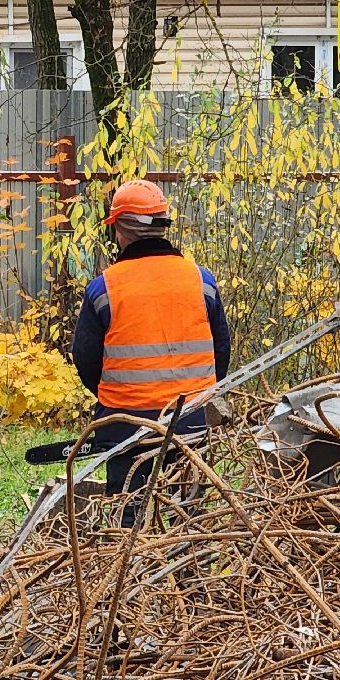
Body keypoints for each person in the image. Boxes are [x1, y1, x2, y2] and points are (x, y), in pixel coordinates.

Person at [71, 180, 230, 507]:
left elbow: (85, 359)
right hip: (191, 422)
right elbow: (221, 353)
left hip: (125, 425)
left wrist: (120, 396)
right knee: (190, 516)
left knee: (128, 514)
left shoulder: (103, 289)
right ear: (162, 226)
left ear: (120, 230)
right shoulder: (202, 281)